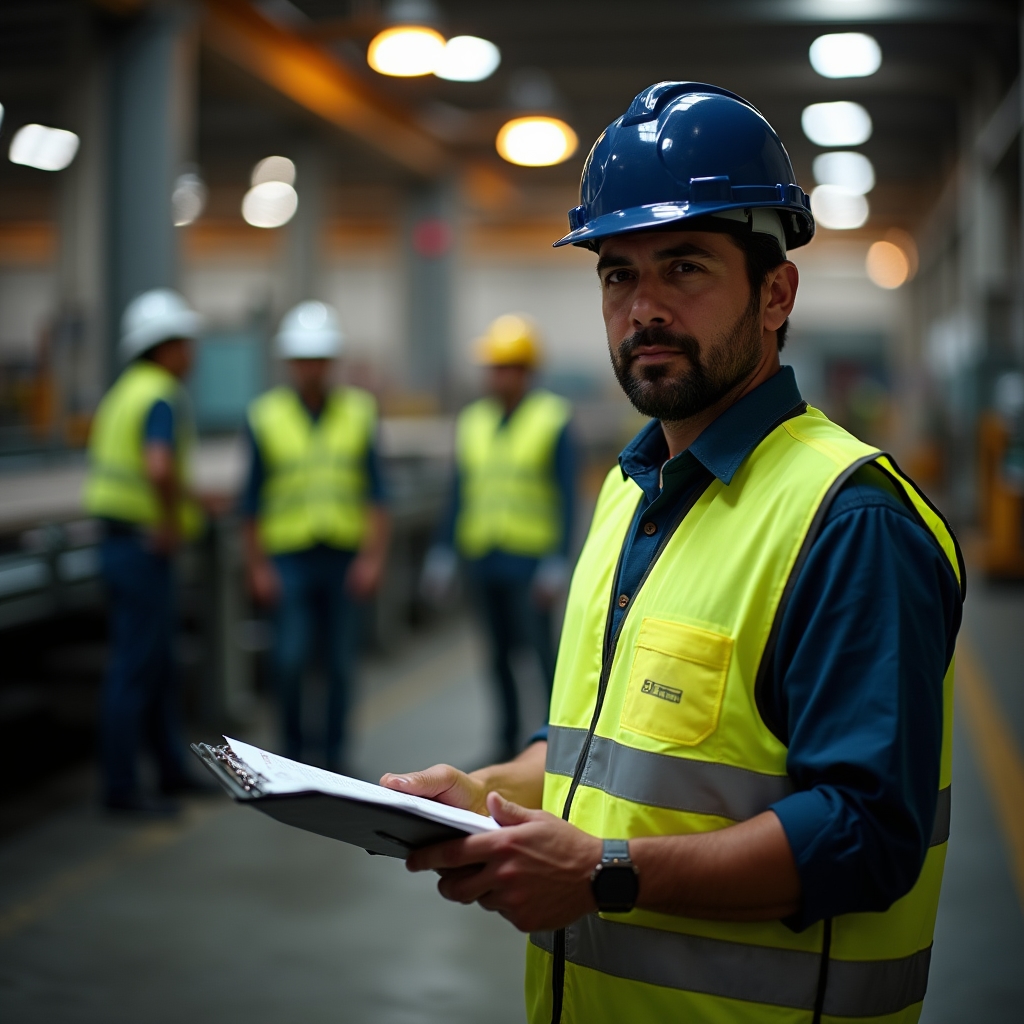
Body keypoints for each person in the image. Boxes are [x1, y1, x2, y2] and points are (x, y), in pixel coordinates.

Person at [381, 82, 964, 1024]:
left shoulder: (849, 521)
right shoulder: (629, 492)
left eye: (684, 267)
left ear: (776, 294)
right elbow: (605, 753)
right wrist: (477, 792)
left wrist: (603, 874)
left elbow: (866, 835)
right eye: (618, 275)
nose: (643, 308)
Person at [242, 301, 389, 771]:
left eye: (319, 359)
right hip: (288, 559)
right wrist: (257, 566)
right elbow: (251, 501)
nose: (312, 368)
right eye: (303, 359)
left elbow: (376, 493)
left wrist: (372, 559)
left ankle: (334, 757)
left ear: (332, 362)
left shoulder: (358, 412)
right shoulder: (265, 416)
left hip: (343, 557)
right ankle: (291, 753)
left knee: (340, 664)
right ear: (290, 362)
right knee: (289, 659)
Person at [422, 314, 576, 761]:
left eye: (507, 368)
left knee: (540, 656)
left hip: (529, 561)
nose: (498, 377)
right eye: (494, 368)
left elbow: (566, 496)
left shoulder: (552, 420)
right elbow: (459, 492)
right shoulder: (473, 421)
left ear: (527, 372)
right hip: (483, 557)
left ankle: (552, 744)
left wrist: (557, 560)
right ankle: (506, 741)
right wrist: (443, 551)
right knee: (497, 657)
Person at [84, 288, 207, 813]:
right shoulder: (160, 394)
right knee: (136, 668)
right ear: (165, 347)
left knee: (155, 666)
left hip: (119, 542)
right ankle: (121, 789)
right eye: (185, 343)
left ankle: (169, 772)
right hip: (141, 548)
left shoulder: (123, 392)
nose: (192, 354)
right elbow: (158, 466)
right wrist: (171, 523)